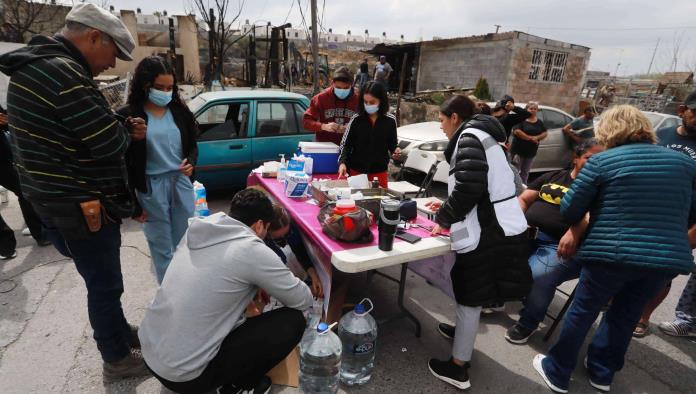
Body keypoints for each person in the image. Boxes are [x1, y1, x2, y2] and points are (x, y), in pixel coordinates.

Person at [0, 3, 147, 381]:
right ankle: (116, 358)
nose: (111, 64)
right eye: (113, 52)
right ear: (93, 36)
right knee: (104, 283)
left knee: (102, 283)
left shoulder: (39, 67)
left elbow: (84, 130)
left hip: (59, 202)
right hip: (79, 205)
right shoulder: (62, 74)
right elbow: (108, 143)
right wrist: (122, 129)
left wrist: (113, 123)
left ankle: (118, 333)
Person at [533, 105, 696, 394]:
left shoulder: (603, 162)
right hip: (663, 260)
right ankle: (602, 373)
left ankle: (557, 372)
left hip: (612, 254)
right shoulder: (685, 164)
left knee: (583, 311)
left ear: (608, 130)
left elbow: (570, 209)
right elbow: (690, 212)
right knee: (625, 315)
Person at [139, 188, 313, 394]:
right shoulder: (250, 248)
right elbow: (303, 299)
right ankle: (239, 387)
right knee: (292, 322)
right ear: (259, 225)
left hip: (150, 351)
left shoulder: (198, 230)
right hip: (186, 376)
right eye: (266, 229)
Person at [426, 95, 531, 390]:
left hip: (487, 229)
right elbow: (497, 184)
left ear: (455, 118)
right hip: (497, 224)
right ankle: (463, 333)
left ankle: (458, 367)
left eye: (442, 120)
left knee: (470, 293)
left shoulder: (469, 137)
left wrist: (445, 218)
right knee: (471, 290)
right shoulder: (486, 135)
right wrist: (451, 206)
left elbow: (471, 187)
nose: (441, 127)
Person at [504, 139, 604, 344]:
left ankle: (528, 322)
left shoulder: (600, 188)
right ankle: (498, 297)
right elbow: (523, 199)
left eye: (601, 159)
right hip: (528, 234)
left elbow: (590, 216)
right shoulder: (554, 176)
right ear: (575, 158)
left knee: (537, 275)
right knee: (494, 250)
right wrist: (519, 221)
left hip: (559, 245)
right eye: (590, 158)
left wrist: (574, 232)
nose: (596, 163)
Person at [118, 56, 198, 284]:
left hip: (180, 183)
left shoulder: (180, 112)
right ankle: (169, 296)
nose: (166, 92)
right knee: (161, 247)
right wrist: (133, 202)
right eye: (160, 87)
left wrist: (191, 162)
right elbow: (122, 162)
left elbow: (192, 145)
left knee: (185, 243)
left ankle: (187, 288)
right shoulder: (129, 116)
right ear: (145, 86)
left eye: (170, 87)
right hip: (151, 188)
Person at [650, 90, 696, 339]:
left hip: (682, 224)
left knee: (662, 277)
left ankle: (643, 317)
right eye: (695, 112)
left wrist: (692, 234)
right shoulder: (661, 136)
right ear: (682, 110)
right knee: (631, 268)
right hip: (646, 215)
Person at [0, 113, 49, 260]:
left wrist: (5, 121)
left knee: (24, 189)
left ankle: (40, 232)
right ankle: (5, 246)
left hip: (2, 157)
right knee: (23, 189)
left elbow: (6, 118)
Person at [338, 81, 400, 188]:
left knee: (378, 203)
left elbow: (392, 144)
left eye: (372, 102)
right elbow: (345, 144)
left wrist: (396, 150)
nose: (368, 105)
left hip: (379, 173)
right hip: (357, 172)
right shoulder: (356, 119)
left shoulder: (390, 120)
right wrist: (342, 163)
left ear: (381, 101)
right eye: (365, 102)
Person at [266, 203, 322, 297]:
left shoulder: (291, 228)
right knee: (281, 259)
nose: (283, 237)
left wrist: (313, 275)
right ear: (266, 230)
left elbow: (300, 252)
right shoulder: (260, 239)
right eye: (278, 236)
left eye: (285, 233)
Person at [303, 66, 359, 146]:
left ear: (352, 85)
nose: (342, 91)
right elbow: (306, 122)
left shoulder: (359, 99)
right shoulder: (320, 98)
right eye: (338, 87)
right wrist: (324, 126)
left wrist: (352, 128)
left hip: (350, 148)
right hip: (326, 147)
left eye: (346, 88)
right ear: (332, 83)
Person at [510, 102, 548, 183]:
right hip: (518, 152)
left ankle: (523, 189)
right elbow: (517, 131)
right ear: (526, 109)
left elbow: (545, 133)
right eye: (531, 108)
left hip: (531, 152)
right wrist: (531, 138)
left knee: (525, 172)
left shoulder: (539, 122)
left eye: (535, 109)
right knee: (514, 171)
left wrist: (537, 137)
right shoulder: (521, 119)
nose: (533, 110)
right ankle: (511, 188)